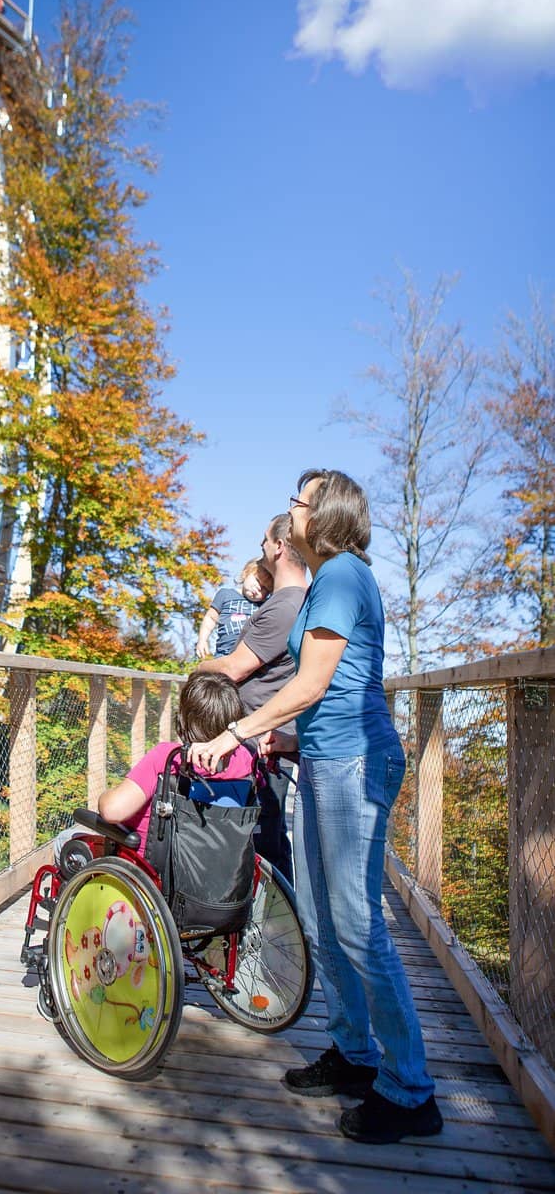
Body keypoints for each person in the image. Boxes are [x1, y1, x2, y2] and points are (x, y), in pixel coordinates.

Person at [188, 470, 442, 1146]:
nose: (289, 508)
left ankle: (411, 1091)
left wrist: (237, 730)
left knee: (359, 928)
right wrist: (280, 732)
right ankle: (355, 1056)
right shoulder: (330, 581)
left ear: (322, 516)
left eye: (299, 501)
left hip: (355, 762)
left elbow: (314, 681)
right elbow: (320, 691)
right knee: (327, 924)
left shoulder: (341, 577)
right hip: (324, 759)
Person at [195, 513, 308, 884]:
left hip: (260, 738)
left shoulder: (284, 606)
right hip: (263, 734)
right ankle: (282, 919)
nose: (260, 547)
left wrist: (196, 671)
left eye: (264, 540)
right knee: (268, 835)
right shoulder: (291, 602)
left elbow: (234, 668)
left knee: (261, 837)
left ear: (278, 547)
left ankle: (272, 928)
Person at [54, 672, 254, 864]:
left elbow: (112, 811)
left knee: (65, 839)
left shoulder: (168, 758)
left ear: (183, 719)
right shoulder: (244, 758)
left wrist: (104, 796)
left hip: (151, 867)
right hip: (216, 864)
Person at [196, 559, 270, 660]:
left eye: (264, 588)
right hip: (224, 654)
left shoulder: (266, 605)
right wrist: (202, 640)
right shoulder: (225, 594)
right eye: (257, 580)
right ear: (245, 574)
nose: (258, 588)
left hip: (251, 657)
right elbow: (211, 618)